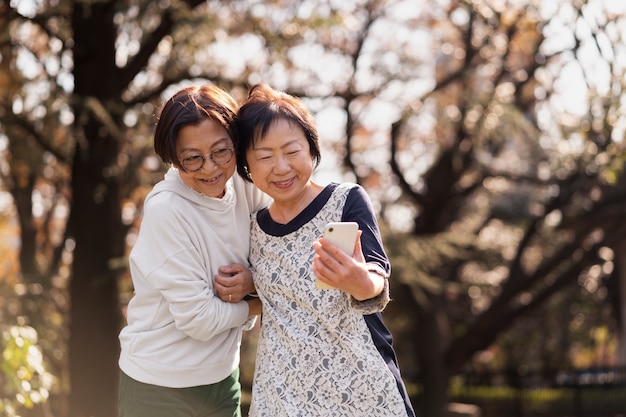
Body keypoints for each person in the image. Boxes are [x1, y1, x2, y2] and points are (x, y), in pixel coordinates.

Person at [236, 83, 416, 417]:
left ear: (312, 149)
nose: (281, 167)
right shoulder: (249, 227)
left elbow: (376, 276)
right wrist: (248, 284)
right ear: (246, 166)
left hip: (360, 393)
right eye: (264, 156)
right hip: (281, 399)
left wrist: (360, 282)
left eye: (292, 151)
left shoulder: (346, 199)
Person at [118, 84, 269, 417]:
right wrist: (259, 305)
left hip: (222, 375)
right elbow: (199, 319)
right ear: (173, 158)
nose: (210, 168)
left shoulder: (248, 186)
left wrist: (253, 283)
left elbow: (283, 251)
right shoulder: (167, 209)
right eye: (192, 159)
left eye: (221, 152)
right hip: (157, 384)